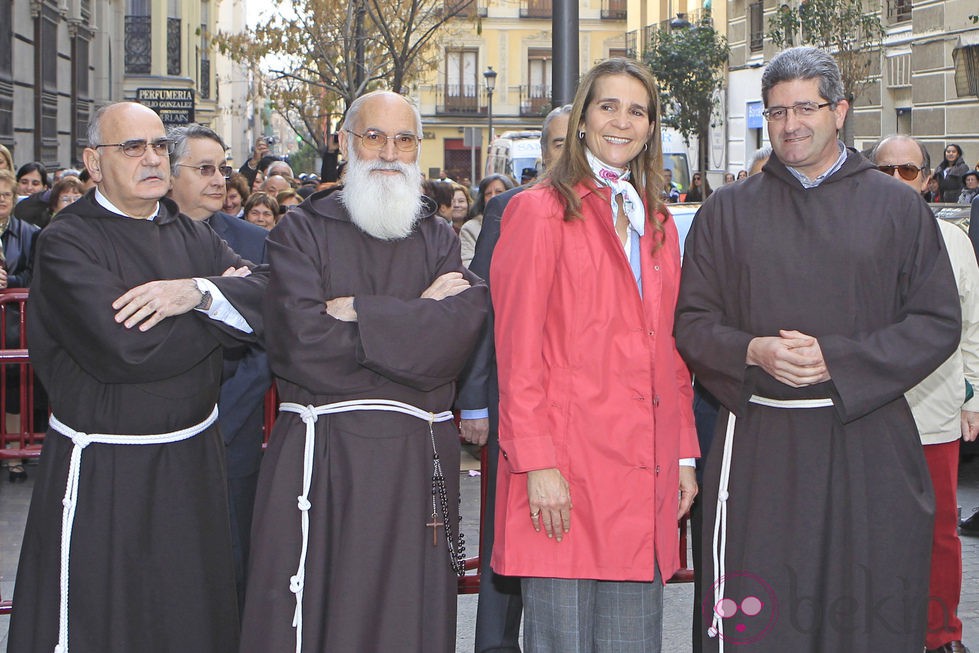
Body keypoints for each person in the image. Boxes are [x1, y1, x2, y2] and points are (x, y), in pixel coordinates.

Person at [675, 47, 961, 652]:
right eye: (775, 111)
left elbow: (937, 321)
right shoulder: (725, 212)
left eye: (805, 107)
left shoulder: (899, 208)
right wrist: (753, 351)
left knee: (867, 613)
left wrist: (840, 360)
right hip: (760, 450)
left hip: (869, 442)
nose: (789, 123)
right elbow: (693, 324)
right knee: (761, 621)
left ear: (840, 111)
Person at [7, 101, 268, 653]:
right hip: (109, 470)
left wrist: (194, 293)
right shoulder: (66, 242)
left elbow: (266, 301)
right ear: (93, 162)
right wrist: (220, 311)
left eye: (158, 147)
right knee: (107, 621)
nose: (151, 159)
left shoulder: (190, 234)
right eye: (132, 147)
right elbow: (127, 348)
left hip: (193, 462)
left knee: (187, 614)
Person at [239, 90, 488, 653]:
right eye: (374, 137)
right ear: (347, 145)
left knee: (409, 619)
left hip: (415, 462)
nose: (389, 153)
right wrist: (417, 315)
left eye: (404, 140)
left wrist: (360, 310)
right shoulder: (300, 230)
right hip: (326, 457)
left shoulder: (437, 236)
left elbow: (454, 340)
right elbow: (301, 344)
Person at [490, 58, 699, 653]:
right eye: (608, 106)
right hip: (566, 473)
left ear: (652, 127)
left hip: (642, 470)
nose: (622, 121)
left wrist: (683, 452)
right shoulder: (537, 211)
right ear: (581, 119)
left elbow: (671, 355)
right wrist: (537, 465)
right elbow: (518, 354)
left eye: (638, 111)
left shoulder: (655, 219)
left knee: (635, 641)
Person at [456, 103, 571, 653]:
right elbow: (485, 308)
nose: (566, 152)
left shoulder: (620, 210)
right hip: (512, 403)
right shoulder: (509, 208)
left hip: (581, 410)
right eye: (555, 143)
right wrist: (476, 402)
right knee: (507, 540)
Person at [870, 134, 977, 653]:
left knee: (939, 533)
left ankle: (941, 635)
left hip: (933, 412)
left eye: (907, 171)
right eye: (884, 170)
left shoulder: (956, 242)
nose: (896, 181)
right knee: (867, 531)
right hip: (864, 414)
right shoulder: (852, 238)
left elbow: (972, 326)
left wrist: (973, 399)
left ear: (928, 181)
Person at [167, 123, 272, 610]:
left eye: (223, 169)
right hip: (160, 430)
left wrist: (222, 418)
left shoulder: (254, 243)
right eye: (204, 169)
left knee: (231, 557)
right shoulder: (142, 235)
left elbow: (265, 341)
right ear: (170, 176)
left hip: (233, 428)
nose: (219, 180)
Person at [0, 169, 40, 483]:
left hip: (14, 324)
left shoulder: (30, 233)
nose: (0, 201)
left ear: (15, 200)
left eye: (5, 195)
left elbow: (34, 276)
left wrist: (10, 281)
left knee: (14, 390)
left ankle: (14, 454)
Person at [459, 174, 514, 267]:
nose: (493, 197)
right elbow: (467, 265)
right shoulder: (470, 228)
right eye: (488, 193)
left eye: (499, 192)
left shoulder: (520, 224)